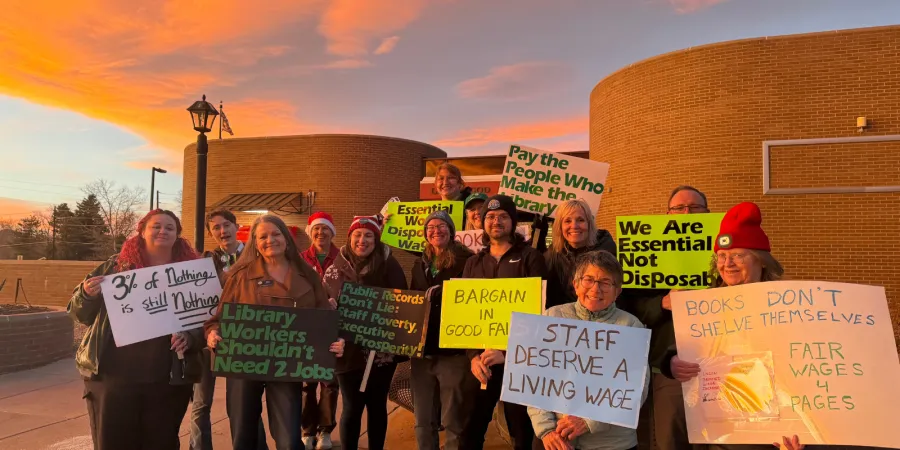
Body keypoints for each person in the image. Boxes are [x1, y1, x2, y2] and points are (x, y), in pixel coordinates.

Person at [660, 202, 799, 450]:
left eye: (737, 255)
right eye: (722, 256)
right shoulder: (706, 304)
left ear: (762, 260)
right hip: (719, 431)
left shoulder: (786, 305)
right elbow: (682, 346)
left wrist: (799, 430)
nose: (728, 263)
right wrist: (672, 362)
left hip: (767, 431)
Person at [204, 215, 345, 450]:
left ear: (286, 238)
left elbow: (324, 319)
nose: (271, 240)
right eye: (263, 236)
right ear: (255, 243)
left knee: (289, 439)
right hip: (243, 364)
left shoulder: (308, 276)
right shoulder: (239, 276)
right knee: (243, 436)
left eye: (276, 234)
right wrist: (213, 333)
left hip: (286, 366)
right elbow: (217, 319)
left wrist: (336, 339)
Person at [68, 209, 203, 450]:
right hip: (113, 375)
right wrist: (86, 295)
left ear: (177, 235)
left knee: (160, 442)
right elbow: (80, 314)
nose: (163, 231)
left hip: (167, 377)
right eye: (156, 226)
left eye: (170, 227)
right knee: (113, 442)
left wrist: (190, 337)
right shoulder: (115, 268)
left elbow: (207, 321)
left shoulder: (191, 273)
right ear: (141, 231)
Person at [616, 186, 709, 450]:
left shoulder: (722, 255)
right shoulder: (646, 254)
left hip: (715, 366)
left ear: (708, 213)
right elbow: (629, 306)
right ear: (667, 214)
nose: (687, 212)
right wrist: (663, 303)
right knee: (670, 440)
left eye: (695, 207)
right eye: (679, 208)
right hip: (666, 367)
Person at [529, 250, 649, 450]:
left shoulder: (630, 326)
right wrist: (546, 430)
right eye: (589, 279)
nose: (596, 288)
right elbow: (533, 378)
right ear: (576, 284)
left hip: (611, 444)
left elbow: (637, 389)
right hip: (556, 440)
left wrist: (589, 421)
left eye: (605, 282)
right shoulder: (551, 318)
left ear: (617, 291)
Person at [461, 194, 548, 450]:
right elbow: (465, 315)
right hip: (483, 362)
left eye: (502, 216)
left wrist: (508, 353)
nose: (495, 221)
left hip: (520, 363)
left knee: (521, 434)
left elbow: (540, 314)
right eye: (490, 216)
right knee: (470, 431)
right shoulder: (472, 263)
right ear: (483, 223)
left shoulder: (531, 257)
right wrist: (473, 356)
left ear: (512, 221)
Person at [322, 215, 408, 450]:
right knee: (351, 405)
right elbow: (322, 308)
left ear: (376, 239)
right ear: (349, 238)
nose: (363, 240)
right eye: (357, 235)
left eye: (369, 235)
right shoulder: (334, 271)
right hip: (346, 350)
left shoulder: (389, 265)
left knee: (377, 404)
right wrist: (328, 309)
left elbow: (403, 304)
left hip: (381, 352)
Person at [191, 209, 268, 450]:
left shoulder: (257, 255)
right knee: (201, 403)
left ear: (236, 226)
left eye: (226, 225)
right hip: (210, 335)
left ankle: (256, 445)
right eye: (216, 227)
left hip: (245, 336)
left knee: (247, 400)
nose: (222, 231)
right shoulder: (203, 262)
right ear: (210, 233)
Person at [409, 210, 479, 450]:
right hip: (421, 351)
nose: (435, 231)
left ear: (451, 231)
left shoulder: (468, 261)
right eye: (431, 227)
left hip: (454, 351)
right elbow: (411, 304)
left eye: (441, 226)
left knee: (453, 419)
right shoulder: (419, 264)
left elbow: (477, 302)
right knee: (422, 419)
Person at [299, 212, 341, 450]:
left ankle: (325, 430)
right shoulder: (301, 259)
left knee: (329, 382)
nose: (320, 234)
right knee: (306, 383)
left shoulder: (342, 258)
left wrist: (338, 299)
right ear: (310, 232)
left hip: (333, 327)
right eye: (316, 229)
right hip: (307, 327)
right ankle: (307, 430)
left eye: (325, 230)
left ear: (332, 233)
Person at [543, 199, 616, 310]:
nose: (574, 226)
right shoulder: (553, 253)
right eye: (567, 221)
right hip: (563, 320)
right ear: (560, 227)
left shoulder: (607, 251)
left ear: (589, 224)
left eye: (580, 220)